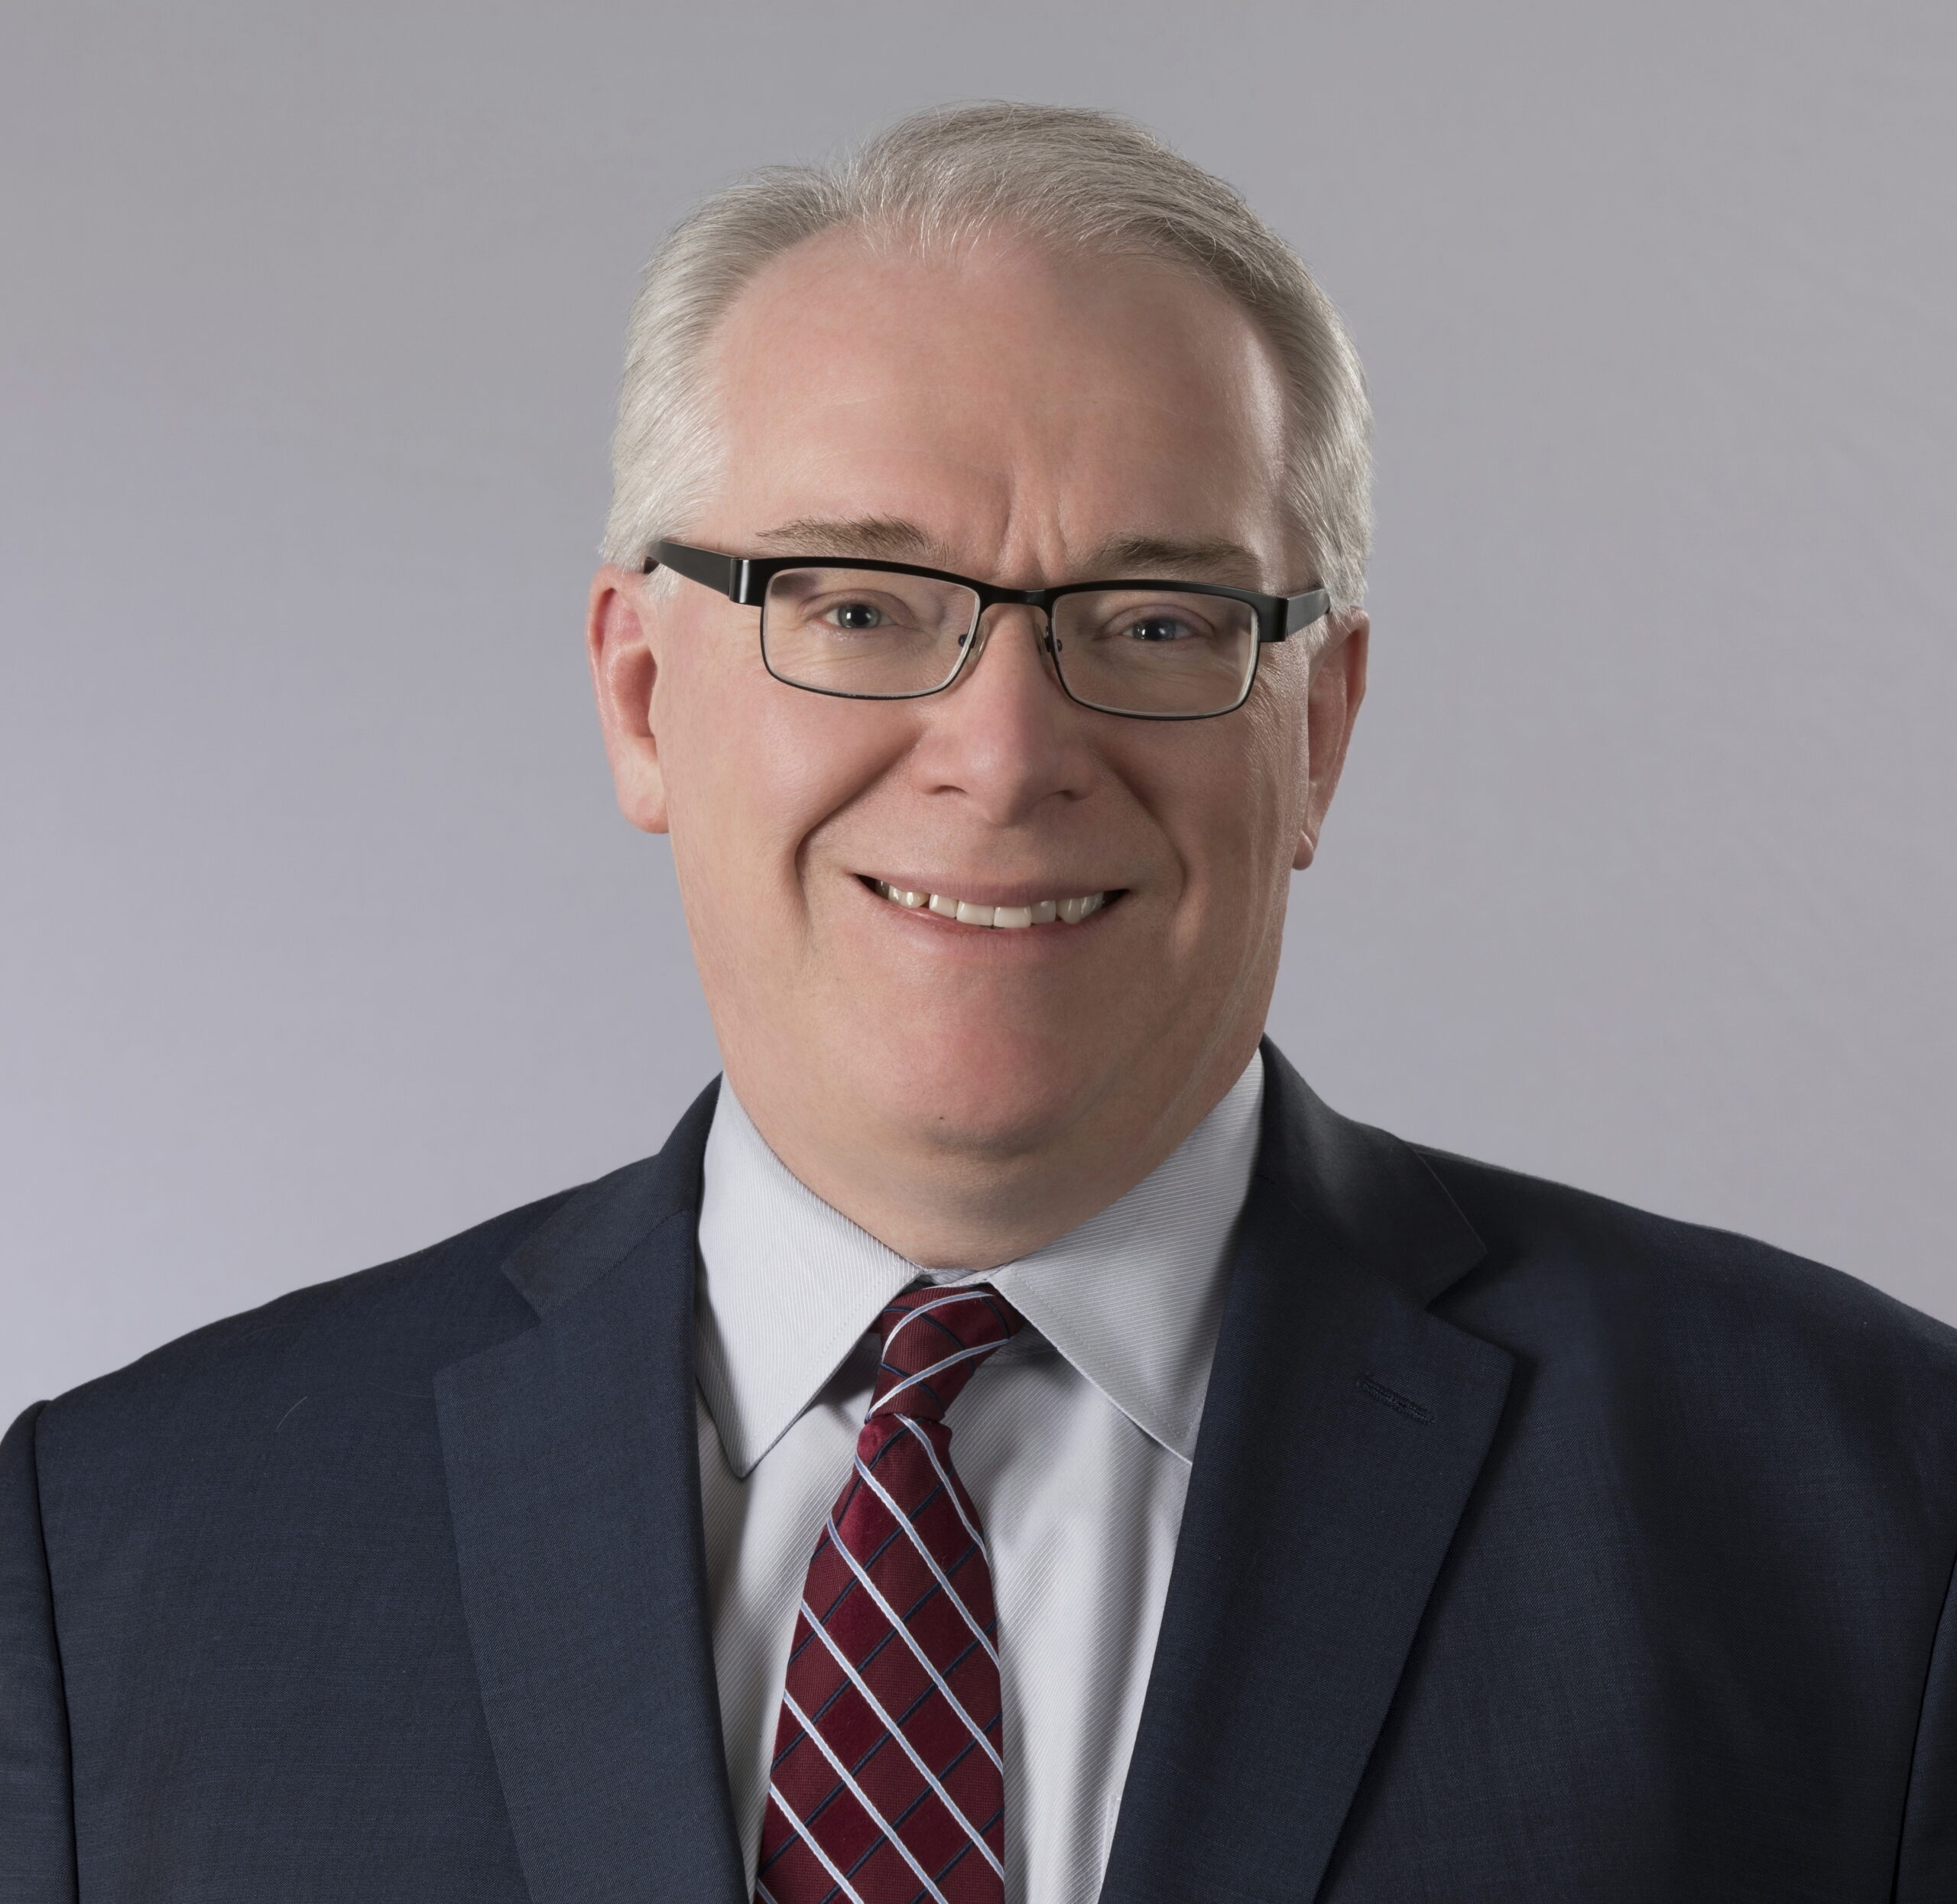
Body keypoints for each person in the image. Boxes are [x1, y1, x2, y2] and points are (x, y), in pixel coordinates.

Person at [2, 100, 1952, 1904]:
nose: (1006, 752)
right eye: (855, 604)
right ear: (639, 694)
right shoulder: (118, 1561)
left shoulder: (1868, 1517)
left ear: (1321, 728)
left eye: (1159, 622)